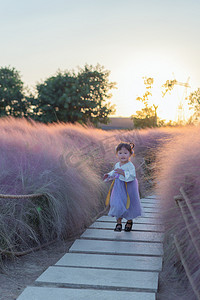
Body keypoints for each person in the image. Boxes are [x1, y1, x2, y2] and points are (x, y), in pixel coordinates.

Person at [103, 142, 142, 232]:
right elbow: (115, 172)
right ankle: (119, 223)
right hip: (118, 187)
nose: (122, 155)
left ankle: (129, 221)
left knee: (129, 203)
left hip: (129, 186)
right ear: (117, 154)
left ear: (130, 154)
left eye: (125, 153)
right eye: (120, 153)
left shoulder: (130, 165)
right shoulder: (117, 164)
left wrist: (123, 173)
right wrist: (108, 175)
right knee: (117, 203)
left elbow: (132, 175)